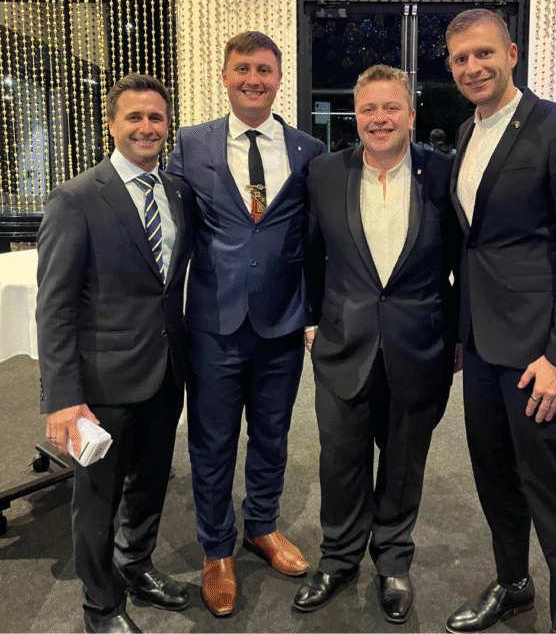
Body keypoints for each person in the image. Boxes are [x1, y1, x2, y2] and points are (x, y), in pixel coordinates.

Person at [444, 9, 556, 634]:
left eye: (483, 53)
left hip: (543, 353)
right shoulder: (467, 130)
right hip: (482, 346)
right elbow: (478, 244)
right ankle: (514, 586)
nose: (472, 67)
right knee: (495, 477)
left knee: (554, 490)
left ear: (512, 54)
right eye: (460, 58)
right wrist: (461, 332)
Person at [166, 31, 326, 617]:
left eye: (263, 69)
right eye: (242, 69)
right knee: (211, 442)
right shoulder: (191, 144)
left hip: (282, 325)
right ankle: (216, 549)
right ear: (225, 76)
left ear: (279, 78)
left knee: (272, 435)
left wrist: (314, 313)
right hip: (214, 324)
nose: (253, 79)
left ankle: (261, 525)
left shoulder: (309, 150)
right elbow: (173, 229)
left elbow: (314, 241)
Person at [293, 65, 459, 624]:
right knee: (340, 461)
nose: (379, 119)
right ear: (356, 115)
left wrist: (455, 332)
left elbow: (463, 260)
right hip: (343, 343)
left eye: (391, 108)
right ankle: (338, 560)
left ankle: (393, 561)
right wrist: (311, 321)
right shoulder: (324, 173)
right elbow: (309, 254)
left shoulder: (444, 173)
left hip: (420, 344)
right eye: (368, 109)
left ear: (411, 115)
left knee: (404, 464)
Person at [36, 74, 194, 634]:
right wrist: (63, 398)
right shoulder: (76, 198)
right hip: (100, 384)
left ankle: (137, 565)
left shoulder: (177, 192)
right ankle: (100, 605)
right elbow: (54, 308)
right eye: (134, 117)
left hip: (166, 372)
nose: (146, 127)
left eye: (156, 117)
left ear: (167, 125)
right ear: (111, 124)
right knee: (97, 500)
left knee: (150, 483)